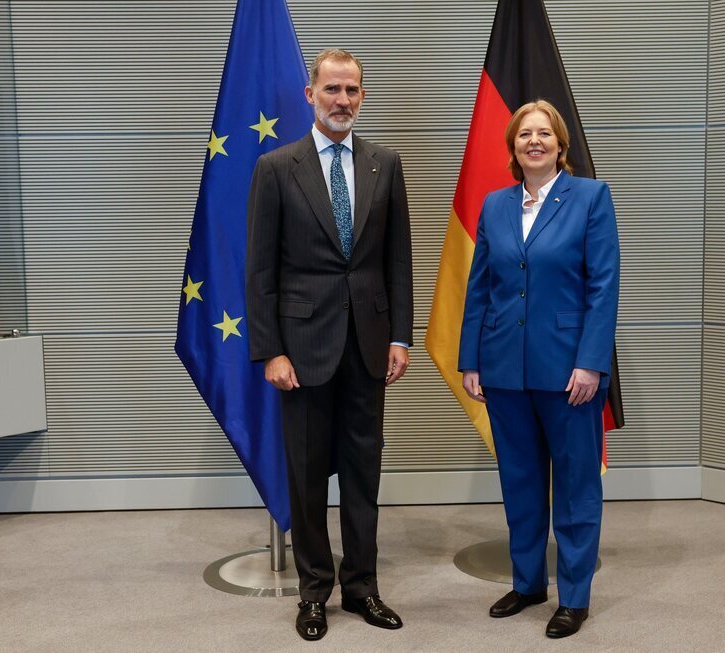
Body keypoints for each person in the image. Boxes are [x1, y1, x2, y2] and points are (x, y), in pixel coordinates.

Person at [246, 48, 413, 642]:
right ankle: (314, 592)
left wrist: (399, 335)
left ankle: (362, 587)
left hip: (369, 346)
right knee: (309, 475)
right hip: (302, 348)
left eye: (352, 91)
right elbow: (260, 270)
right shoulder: (275, 167)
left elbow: (397, 259)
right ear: (309, 93)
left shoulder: (384, 164)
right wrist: (270, 351)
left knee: (363, 475)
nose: (343, 100)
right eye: (332, 89)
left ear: (362, 97)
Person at [458, 99, 619, 639]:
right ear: (513, 146)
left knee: (575, 488)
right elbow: (479, 287)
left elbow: (603, 287)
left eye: (543, 134)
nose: (534, 141)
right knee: (520, 483)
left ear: (560, 144)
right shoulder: (494, 205)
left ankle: (574, 596)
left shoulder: (591, 198)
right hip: (505, 369)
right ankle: (528, 583)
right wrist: (471, 360)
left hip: (570, 373)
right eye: (524, 133)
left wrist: (592, 363)